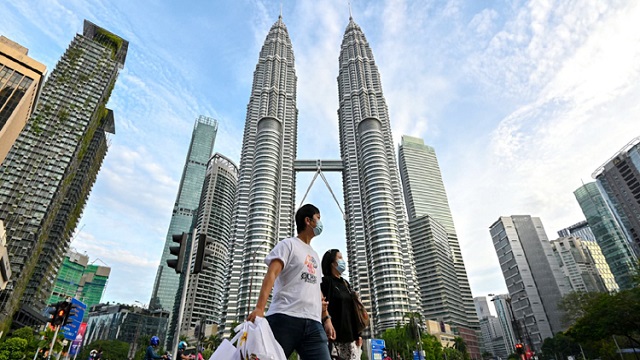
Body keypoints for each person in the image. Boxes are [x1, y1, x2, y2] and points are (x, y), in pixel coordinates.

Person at [247, 204, 332, 360]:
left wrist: (326, 319)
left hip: (313, 324)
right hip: (284, 318)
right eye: (318, 218)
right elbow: (271, 274)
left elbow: (316, 288)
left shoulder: (314, 255)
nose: (320, 223)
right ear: (308, 220)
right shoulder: (288, 245)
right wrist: (260, 308)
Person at [321, 249, 363, 360]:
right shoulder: (325, 282)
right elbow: (322, 306)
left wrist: (358, 335)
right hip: (334, 338)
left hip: (351, 338)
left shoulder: (345, 283)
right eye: (339, 258)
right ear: (332, 263)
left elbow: (352, 310)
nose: (343, 261)